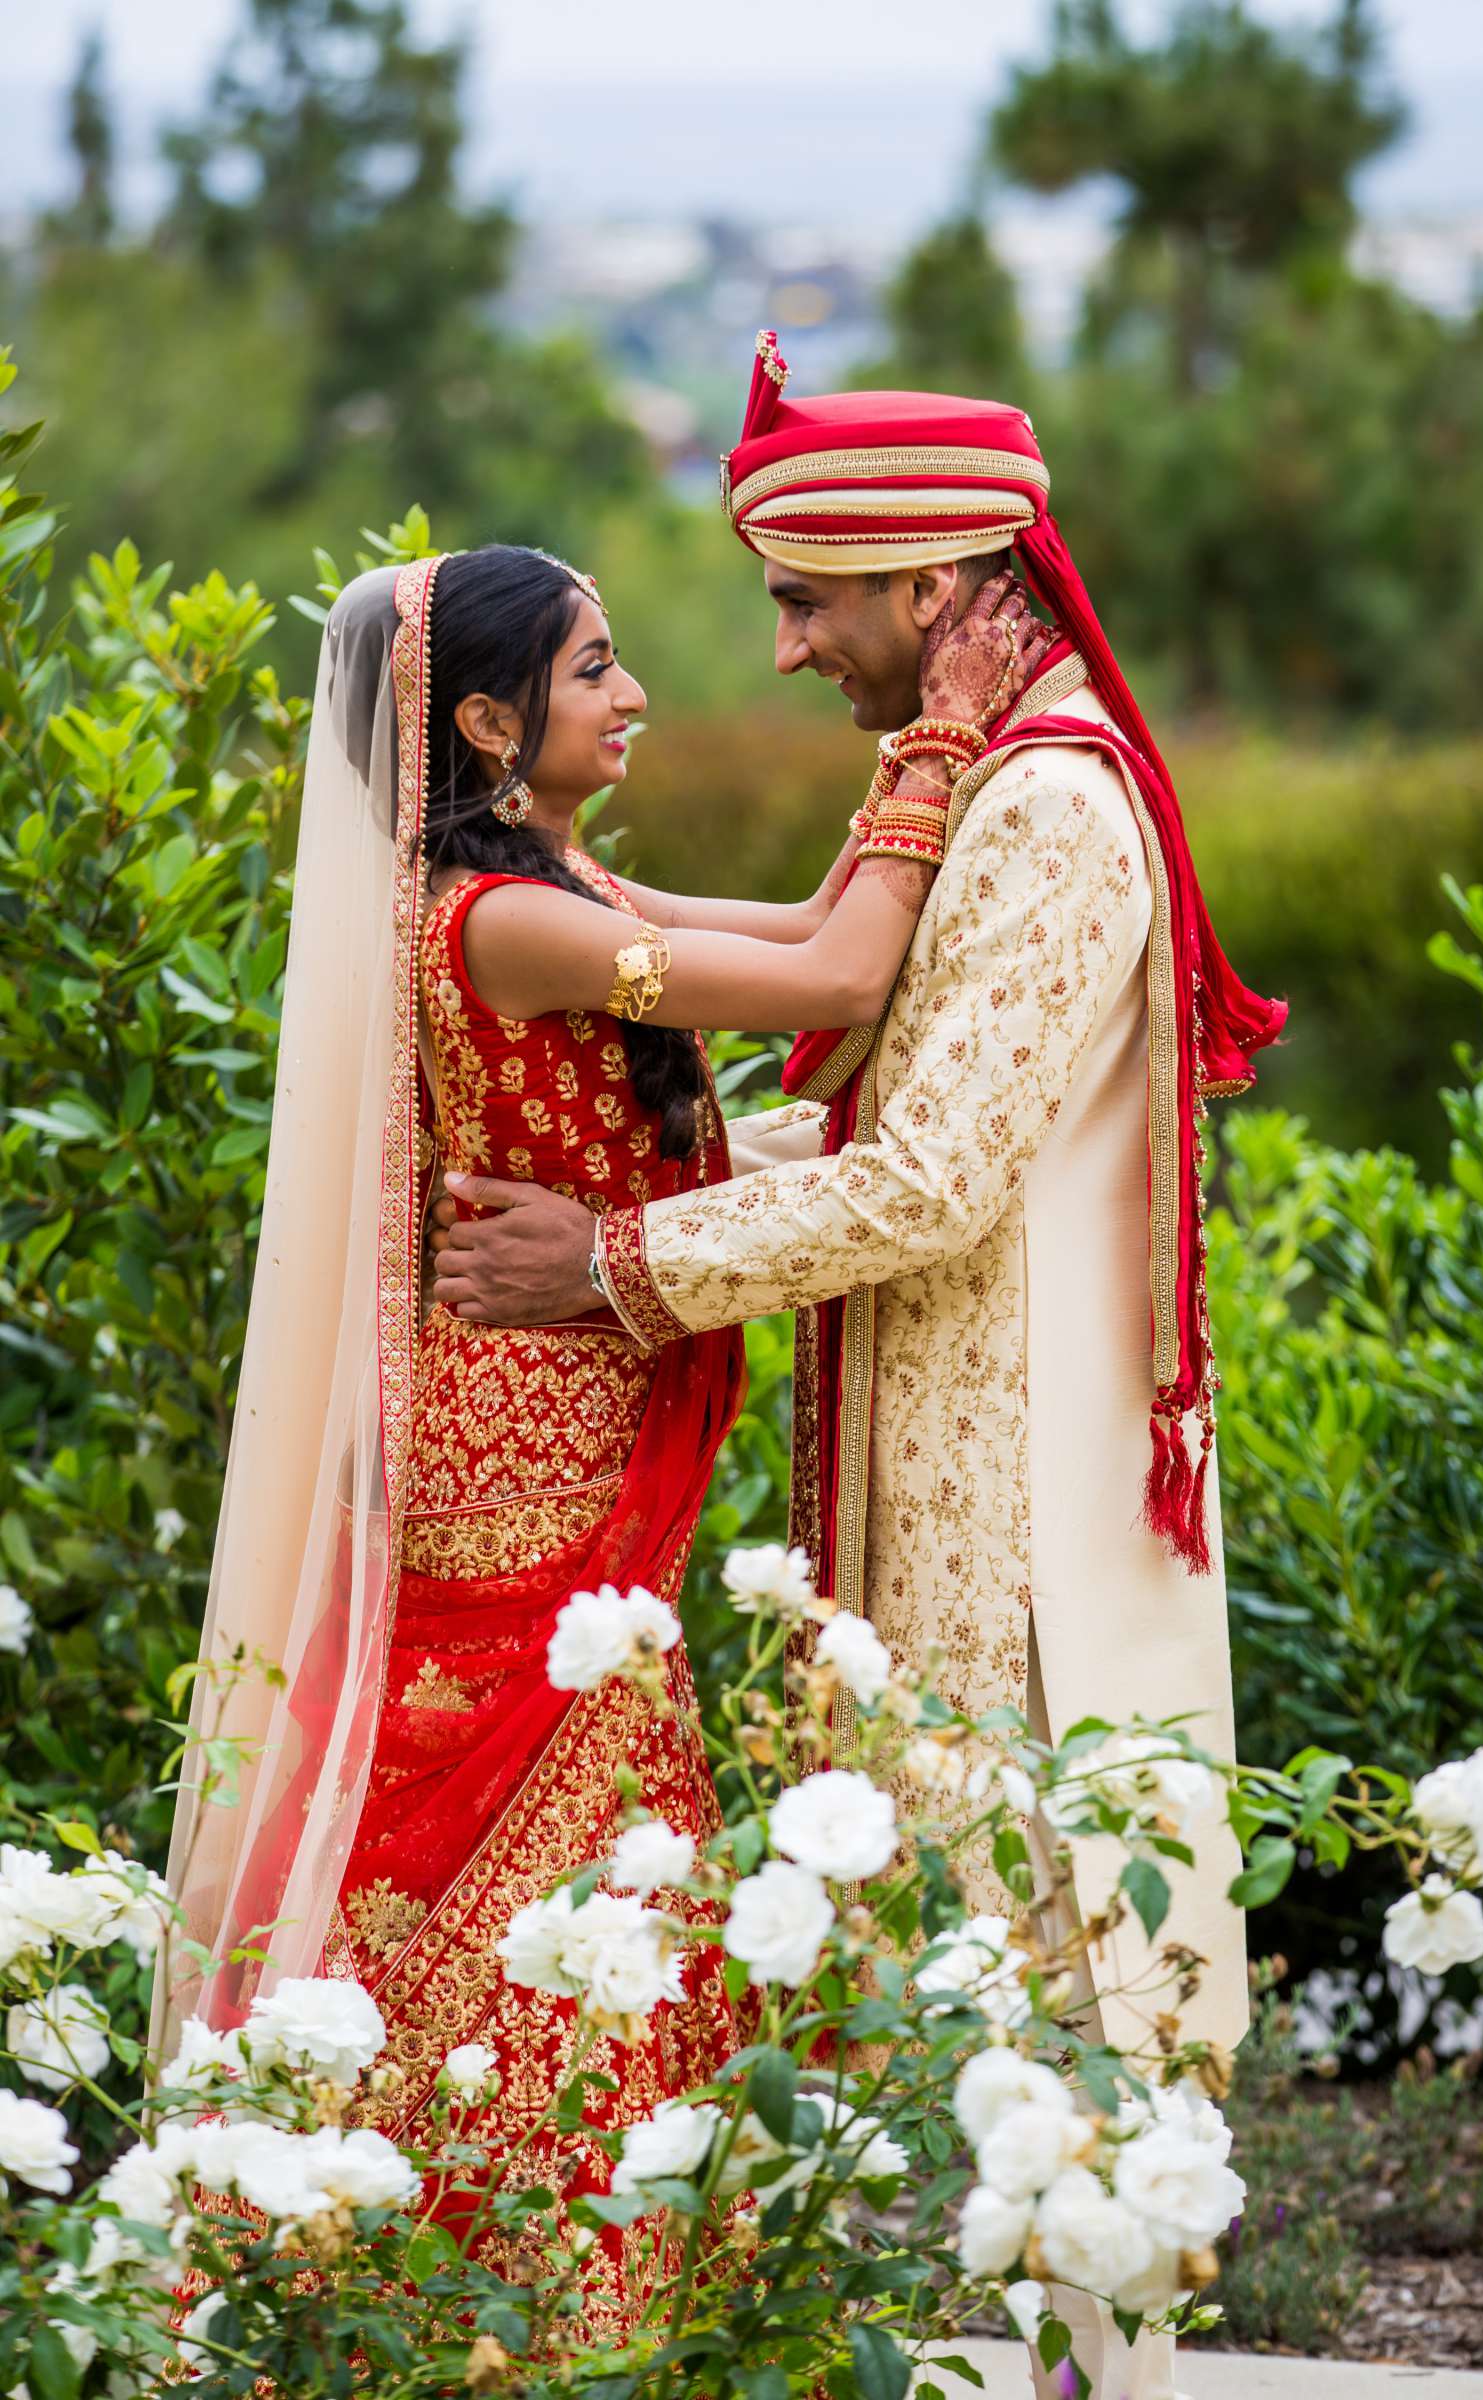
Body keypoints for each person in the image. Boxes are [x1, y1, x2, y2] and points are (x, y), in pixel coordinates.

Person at [429, 342, 1287, 2395]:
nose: (790, 648)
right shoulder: (994, 782)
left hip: (1027, 1512)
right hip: (948, 1467)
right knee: (986, 1979)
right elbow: (889, 1117)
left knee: (1057, 1950)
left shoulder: (1051, 803)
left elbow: (934, 1177)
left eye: (810, 601)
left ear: (918, 581)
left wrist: (620, 1254)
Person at [160, 540, 1036, 2310]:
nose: (634, 696)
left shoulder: (554, 882)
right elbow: (840, 986)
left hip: (540, 1408)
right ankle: (480, 2265)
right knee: (555, 1808)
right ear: (486, 720)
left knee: (586, 1801)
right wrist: (943, 739)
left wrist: (911, 774)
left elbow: (803, 932)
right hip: (518, 1445)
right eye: (594, 670)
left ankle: (522, 2261)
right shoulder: (502, 924)